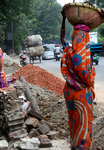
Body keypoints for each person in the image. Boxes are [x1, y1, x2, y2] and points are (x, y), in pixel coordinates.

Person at [60, 9, 104, 150]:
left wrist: (63, 18)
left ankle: (74, 145)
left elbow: (62, 38)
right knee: (83, 122)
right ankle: (82, 147)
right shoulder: (89, 50)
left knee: (73, 121)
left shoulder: (68, 49)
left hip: (69, 93)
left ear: (73, 37)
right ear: (86, 38)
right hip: (83, 94)